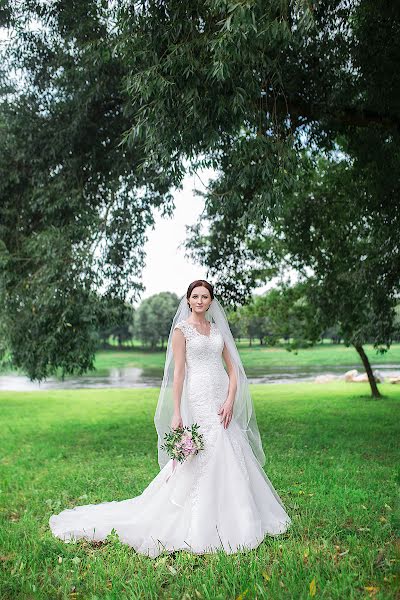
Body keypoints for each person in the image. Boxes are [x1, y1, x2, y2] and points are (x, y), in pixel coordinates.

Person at [49, 280, 292, 557]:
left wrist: (229, 399)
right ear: (188, 300)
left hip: (221, 395)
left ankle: (239, 514)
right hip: (198, 396)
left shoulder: (216, 330)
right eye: (195, 296)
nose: (200, 301)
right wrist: (176, 411)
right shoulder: (182, 330)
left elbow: (233, 369)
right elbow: (178, 374)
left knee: (229, 444)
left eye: (205, 296)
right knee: (205, 449)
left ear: (211, 301)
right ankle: (200, 519)